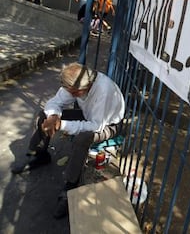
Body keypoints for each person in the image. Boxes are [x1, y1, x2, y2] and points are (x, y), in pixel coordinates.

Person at [11, 62, 125, 219]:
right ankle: (40, 155)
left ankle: (70, 186)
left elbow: (96, 126)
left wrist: (62, 124)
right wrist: (53, 117)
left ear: (83, 89)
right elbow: (55, 101)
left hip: (107, 124)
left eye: (73, 93)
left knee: (83, 138)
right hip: (88, 116)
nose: (69, 94)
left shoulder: (103, 91)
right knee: (43, 116)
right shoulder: (75, 80)